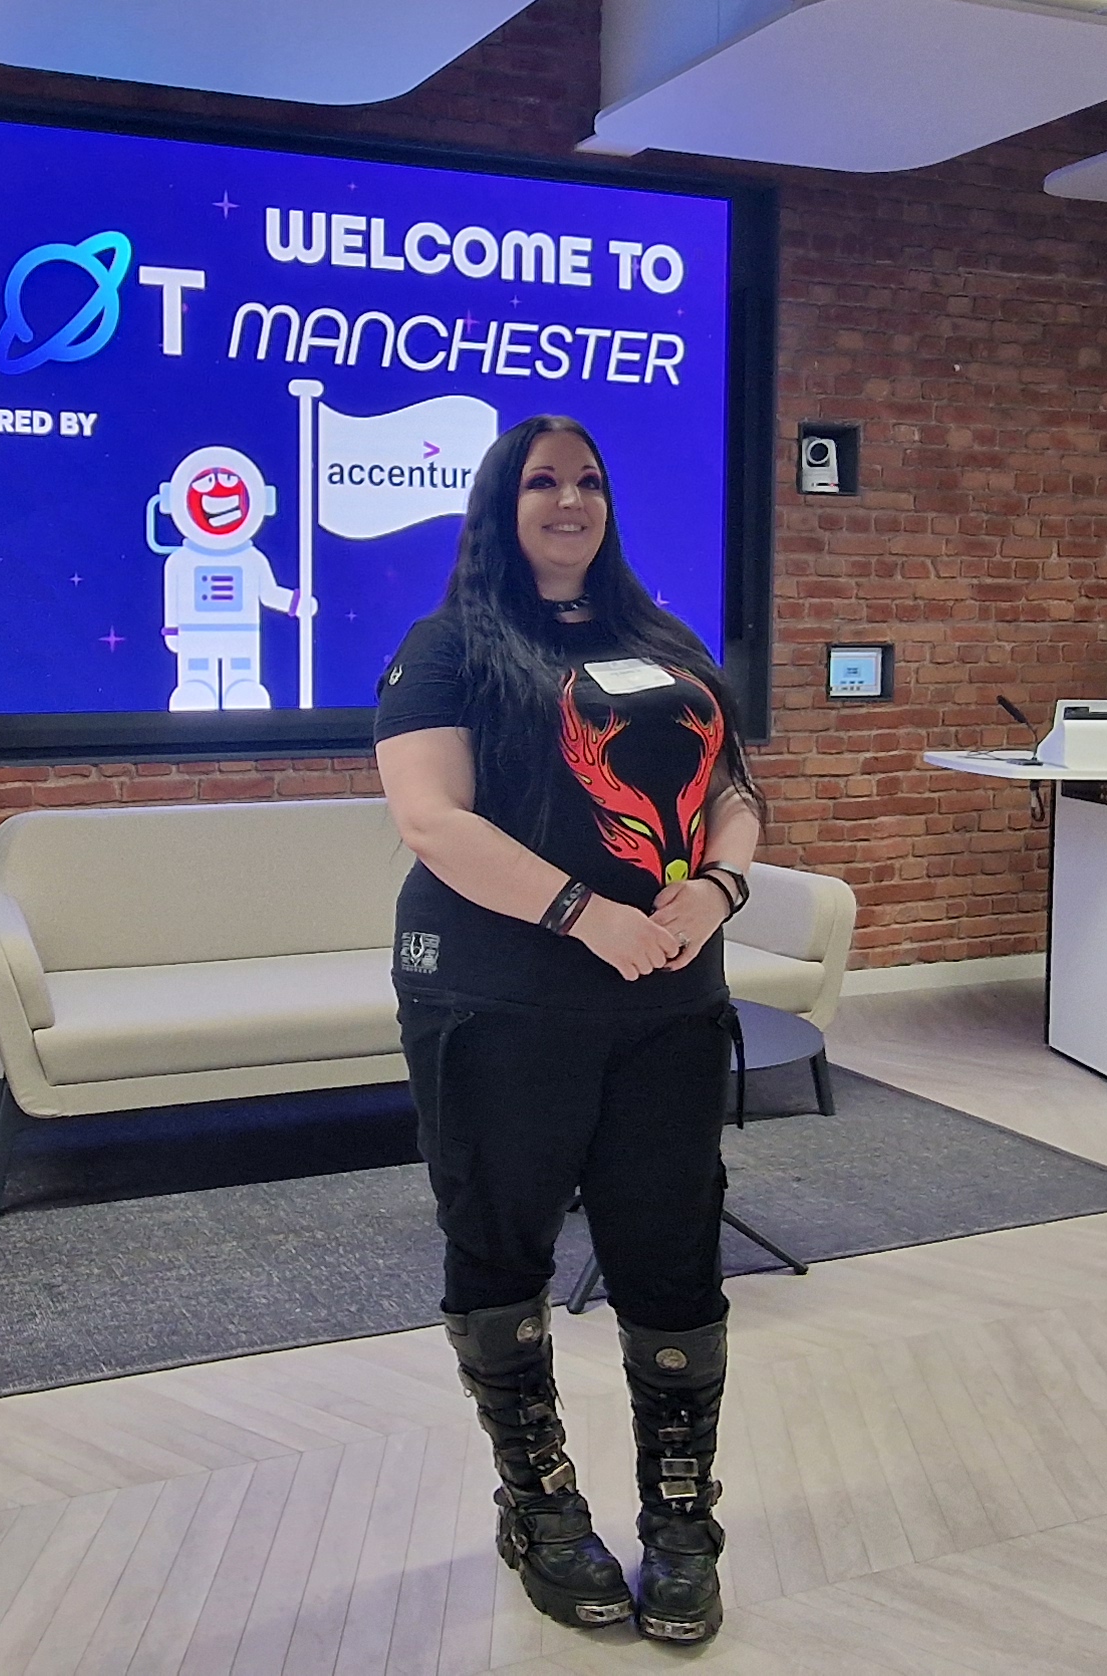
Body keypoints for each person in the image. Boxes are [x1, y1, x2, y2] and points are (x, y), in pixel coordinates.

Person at [371, 413, 761, 1644]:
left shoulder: (666, 640)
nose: (569, 500)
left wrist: (714, 889)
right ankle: (538, 1502)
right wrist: (583, 912)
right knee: (500, 1244)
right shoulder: (446, 646)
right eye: (542, 481)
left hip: (668, 999)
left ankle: (680, 1517)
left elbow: (736, 796)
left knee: (671, 1256)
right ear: (500, 503)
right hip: (498, 995)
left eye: (588, 479)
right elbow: (429, 818)